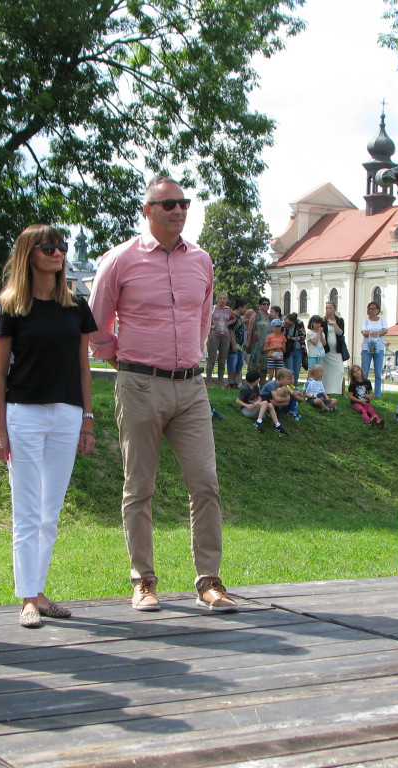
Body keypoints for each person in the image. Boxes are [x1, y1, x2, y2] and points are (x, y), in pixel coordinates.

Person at [89, 175, 237, 613]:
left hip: (191, 387)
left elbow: (203, 318)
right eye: (168, 204)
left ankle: (209, 580)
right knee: (139, 486)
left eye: (184, 203)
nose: (178, 210)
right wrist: (125, 362)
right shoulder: (119, 260)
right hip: (138, 384)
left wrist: (189, 357)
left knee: (206, 484)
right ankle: (143, 581)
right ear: (147, 211)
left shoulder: (202, 261)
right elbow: (97, 326)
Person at [0, 225, 98, 628]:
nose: (57, 253)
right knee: (27, 512)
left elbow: (83, 366)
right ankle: (27, 598)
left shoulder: (75, 305)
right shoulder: (10, 306)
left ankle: (39, 590)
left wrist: (87, 419)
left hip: (68, 415)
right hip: (23, 414)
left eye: (61, 246)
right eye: (48, 247)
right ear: (28, 254)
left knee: (50, 513)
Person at [360, 301, 389, 398]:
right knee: (365, 371)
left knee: (378, 372)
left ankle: (377, 393)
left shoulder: (382, 320)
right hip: (367, 348)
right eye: (369, 308)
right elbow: (364, 332)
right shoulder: (365, 320)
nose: (370, 310)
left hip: (379, 348)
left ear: (378, 310)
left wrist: (373, 333)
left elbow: (385, 330)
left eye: (373, 308)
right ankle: (363, 392)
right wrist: (373, 333)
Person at [206, 291, 233, 387]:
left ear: (226, 300)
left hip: (225, 335)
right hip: (214, 334)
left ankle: (220, 382)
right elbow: (205, 318)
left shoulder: (228, 309)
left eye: (224, 298)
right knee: (211, 359)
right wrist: (210, 325)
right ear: (217, 299)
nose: (222, 300)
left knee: (222, 361)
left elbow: (234, 318)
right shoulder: (212, 308)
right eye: (220, 298)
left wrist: (227, 324)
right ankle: (208, 381)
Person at [322, 301, 347, 396]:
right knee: (326, 371)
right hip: (326, 350)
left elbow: (340, 333)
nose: (328, 310)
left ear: (335, 309)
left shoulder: (340, 320)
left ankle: (340, 391)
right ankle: (326, 391)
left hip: (337, 350)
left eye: (330, 308)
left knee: (340, 371)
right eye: (327, 308)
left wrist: (334, 324)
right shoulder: (323, 321)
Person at [226, 298, 249, 388]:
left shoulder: (239, 318)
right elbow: (230, 330)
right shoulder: (233, 316)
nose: (245, 310)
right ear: (240, 307)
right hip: (234, 346)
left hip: (240, 346)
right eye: (244, 308)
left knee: (239, 365)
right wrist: (233, 344)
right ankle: (230, 383)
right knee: (232, 365)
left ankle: (233, 381)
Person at [283, 312, 307, 385]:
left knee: (296, 371)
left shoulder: (299, 323)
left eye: (290, 324)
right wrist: (285, 328)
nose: (287, 325)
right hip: (288, 350)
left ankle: (295, 386)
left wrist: (292, 338)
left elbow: (303, 336)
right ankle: (288, 388)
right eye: (286, 323)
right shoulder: (282, 323)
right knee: (289, 371)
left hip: (298, 349)